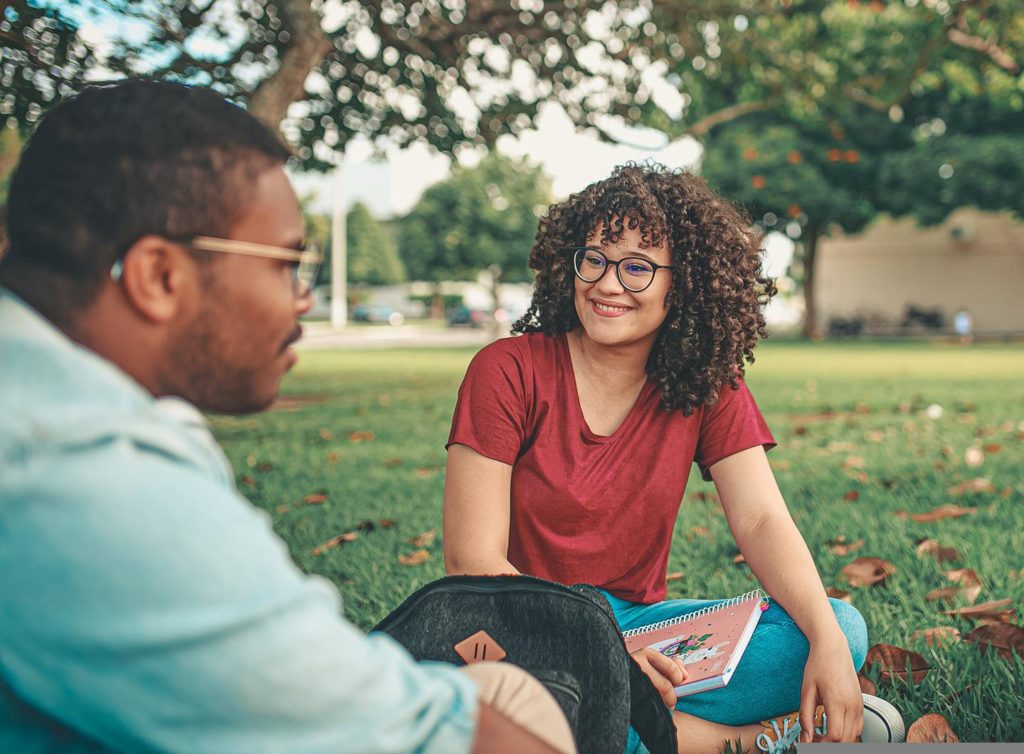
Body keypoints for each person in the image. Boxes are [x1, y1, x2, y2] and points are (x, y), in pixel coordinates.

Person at [0, 80, 575, 754]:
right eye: (286, 264)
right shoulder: (82, 476)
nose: (301, 299)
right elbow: (435, 738)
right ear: (160, 276)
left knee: (504, 690)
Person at [442, 165, 904, 754]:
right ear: (570, 264)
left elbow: (761, 520)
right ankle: (745, 742)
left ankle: (621, 725)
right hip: (520, 629)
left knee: (838, 626)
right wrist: (604, 657)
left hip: (640, 630)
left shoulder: (706, 383)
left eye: (637, 266)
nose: (609, 284)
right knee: (521, 705)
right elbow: (472, 561)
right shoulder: (506, 371)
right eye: (596, 259)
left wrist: (827, 645)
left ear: (682, 283)